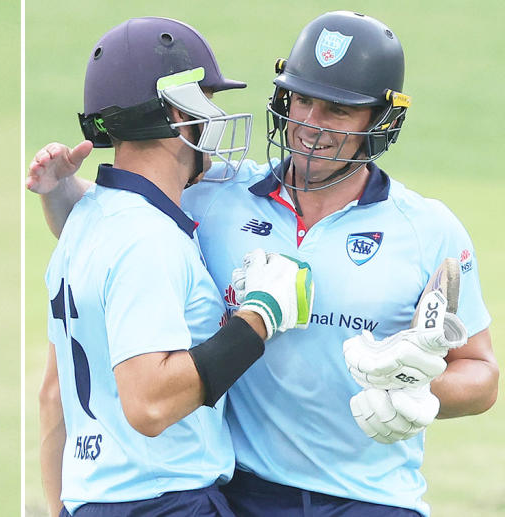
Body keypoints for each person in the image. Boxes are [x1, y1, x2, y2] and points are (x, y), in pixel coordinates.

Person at [29, 10, 498, 517]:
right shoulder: (212, 195)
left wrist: (421, 392)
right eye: (302, 100)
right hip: (242, 493)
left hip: (373, 499)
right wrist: (60, 191)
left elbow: (482, 373)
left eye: (338, 111)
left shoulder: (428, 230)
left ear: (378, 122)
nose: (310, 127)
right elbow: (123, 237)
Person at [37, 17, 313, 517]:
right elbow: (149, 404)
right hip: (165, 502)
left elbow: (51, 397)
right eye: (207, 100)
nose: (216, 117)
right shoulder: (147, 238)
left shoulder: (85, 219)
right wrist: (260, 317)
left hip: (94, 500)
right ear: (175, 112)